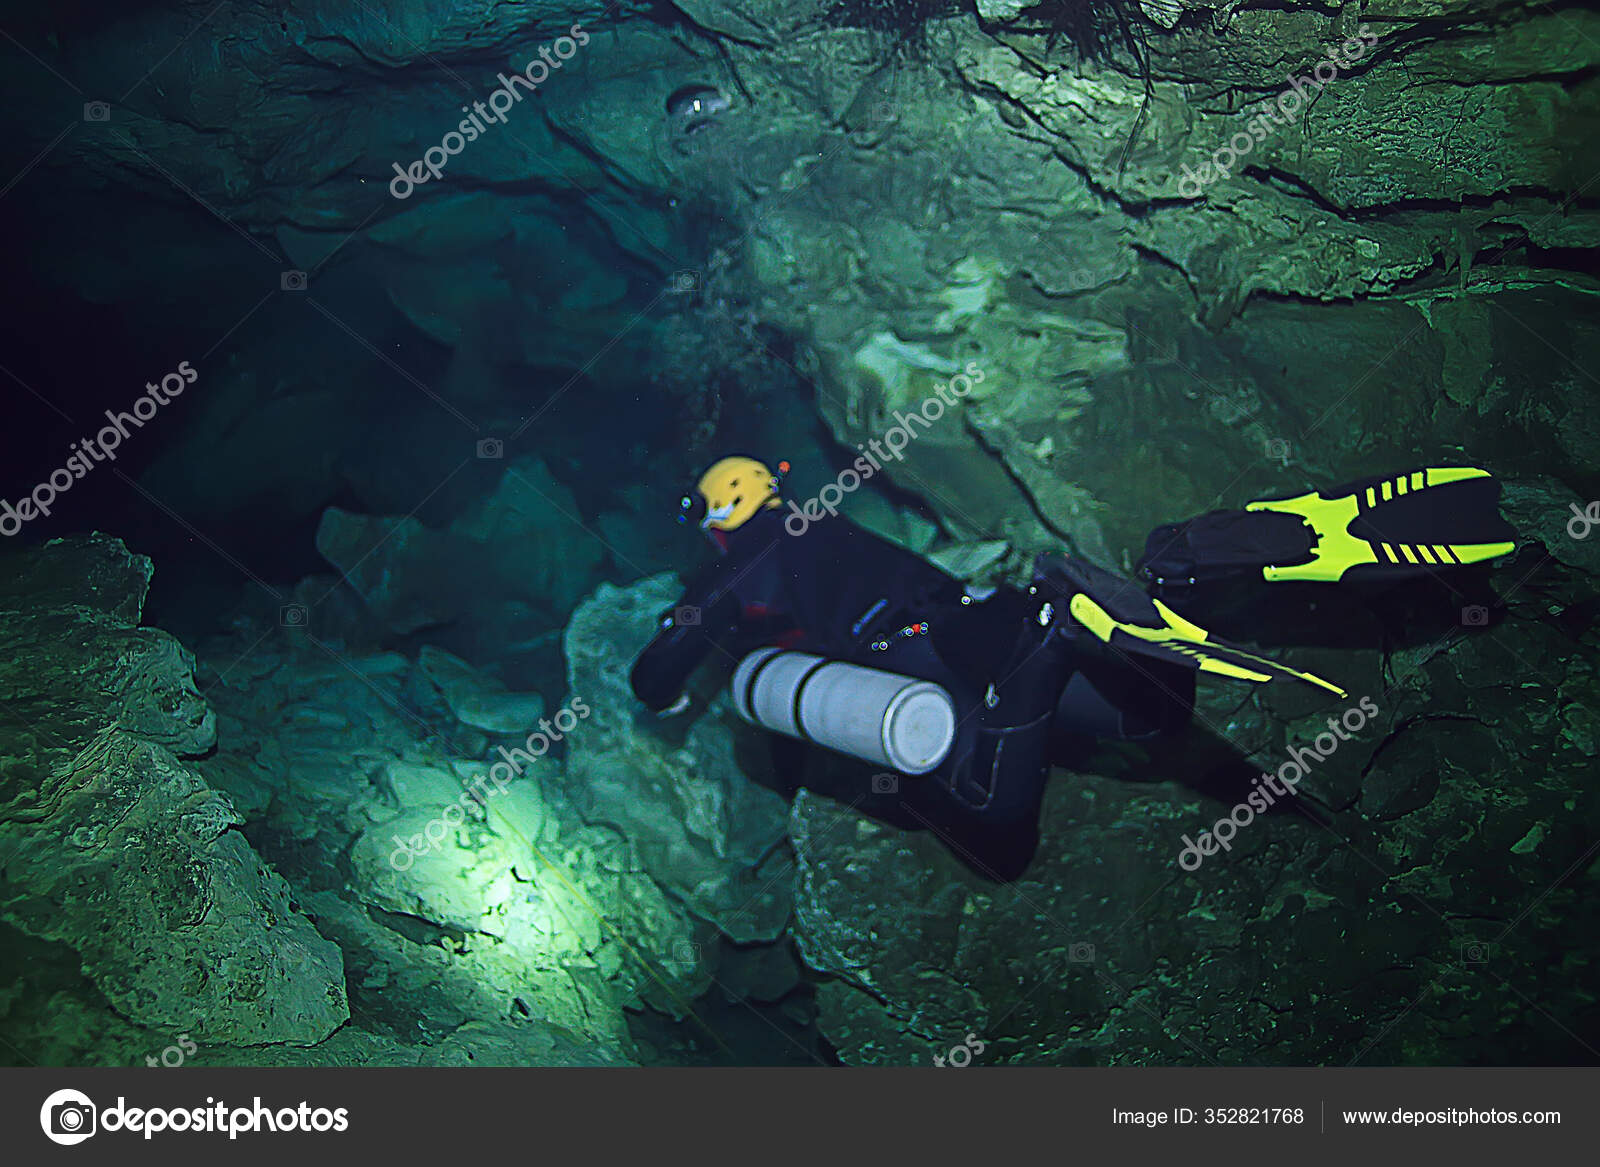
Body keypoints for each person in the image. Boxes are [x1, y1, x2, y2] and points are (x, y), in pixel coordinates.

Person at [629, 456, 1516, 878]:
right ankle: (1180, 568)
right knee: (1150, 721)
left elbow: (650, 680)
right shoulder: (821, 520)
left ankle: (1060, 629)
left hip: (927, 671)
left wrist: (697, 633)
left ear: (719, 516)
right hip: (981, 620)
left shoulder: (732, 568)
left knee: (995, 828)